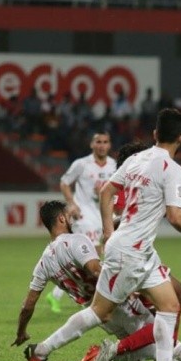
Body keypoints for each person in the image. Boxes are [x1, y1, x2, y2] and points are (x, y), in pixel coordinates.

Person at [24, 108, 181, 361]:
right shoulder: (173, 169)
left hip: (139, 251)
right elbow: (174, 217)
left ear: (155, 134)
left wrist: (109, 232)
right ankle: (40, 351)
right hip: (130, 252)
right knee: (100, 312)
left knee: (170, 305)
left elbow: (107, 192)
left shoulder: (137, 159)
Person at [13, 200, 181, 361]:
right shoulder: (76, 241)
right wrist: (128, 284)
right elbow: (96, 270)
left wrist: (21, 331)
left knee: (146, 351)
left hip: (99, 314)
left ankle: (100, 354)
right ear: (61, 219)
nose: (72, 218)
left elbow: (28, 304)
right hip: (118, 302)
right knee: (169, 342)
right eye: (68, 215)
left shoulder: (43, 262)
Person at [47, 130, 116, 313]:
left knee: (89, 257)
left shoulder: (114, 165)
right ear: (92, 144)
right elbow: (64, 182)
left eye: (105, 142)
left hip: (102, 215)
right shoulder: (81, 164)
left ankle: (58, 294)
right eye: (98, 142)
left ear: (109, 145)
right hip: (83, 216)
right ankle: (91, 298)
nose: (101, 145)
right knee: (93, 255)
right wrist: (72, 203)